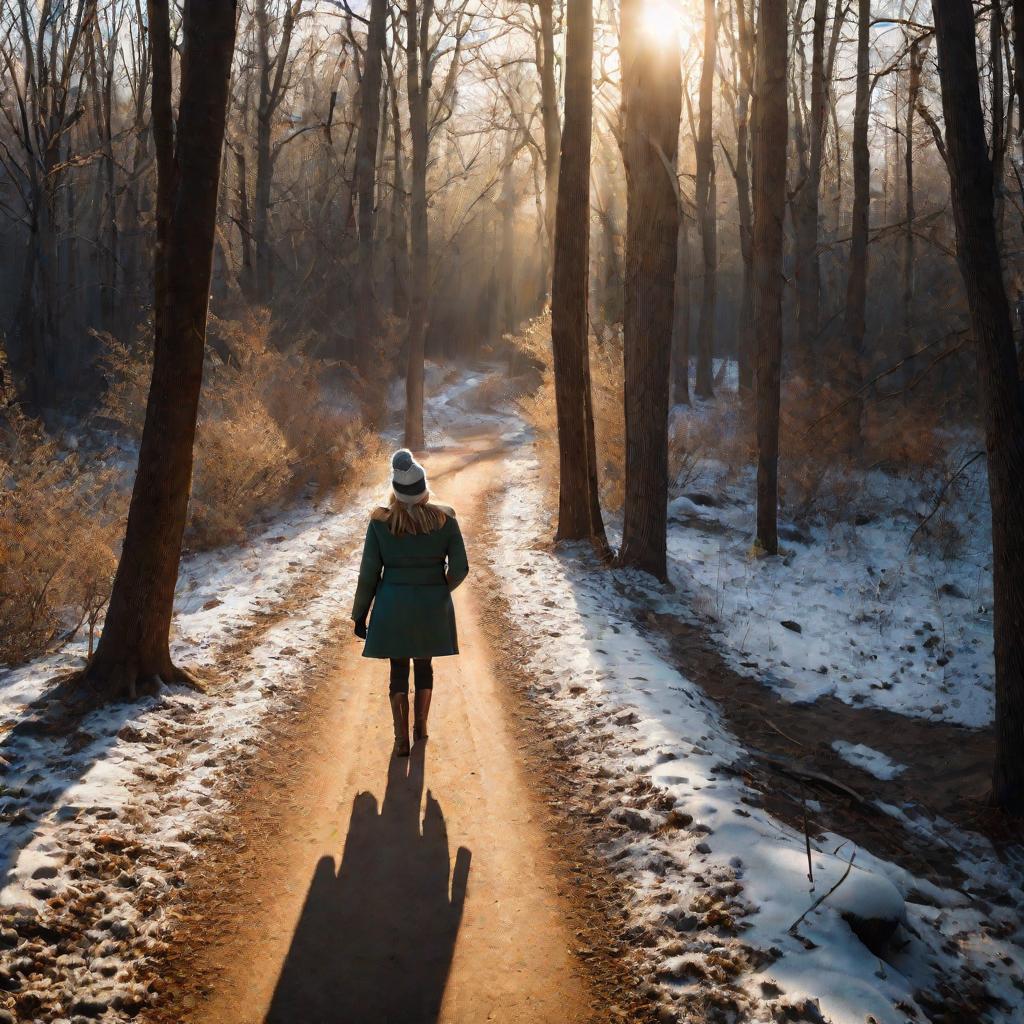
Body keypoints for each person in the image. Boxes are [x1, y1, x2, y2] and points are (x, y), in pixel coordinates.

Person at [351, 449, 469, 756]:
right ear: (422, 488)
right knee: (425, 666)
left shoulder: (380, 523)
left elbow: (368, 574)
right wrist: (440, 589)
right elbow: (460, 569)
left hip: (392, 606)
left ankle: (401, 739)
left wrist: (360, 614)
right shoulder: (445, 520)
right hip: (431, 606)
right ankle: (421, 728)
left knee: (398, 669)